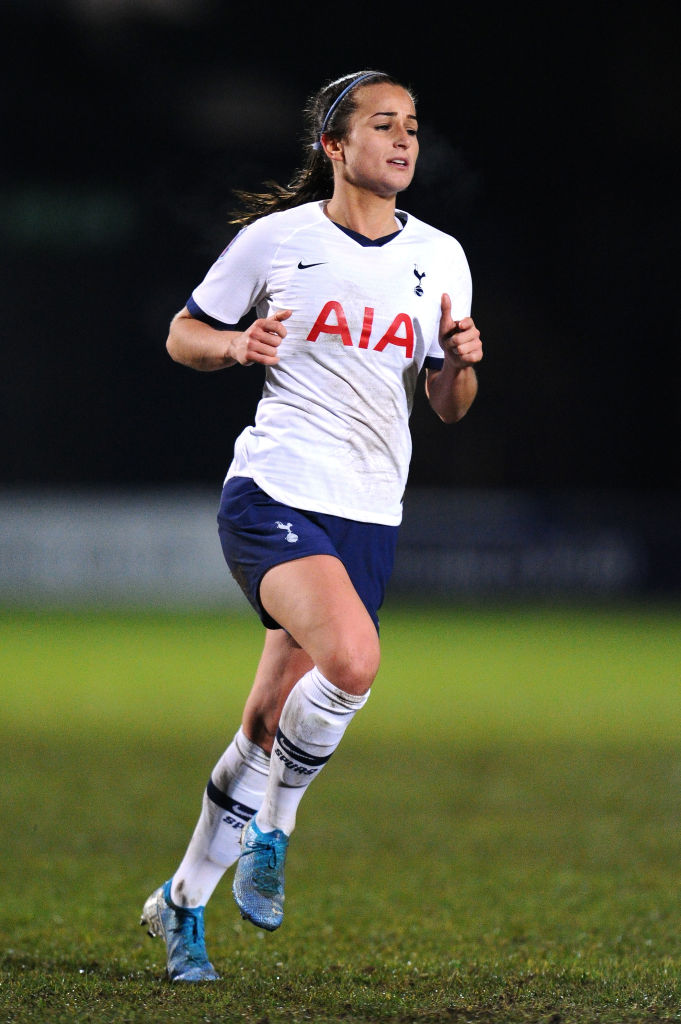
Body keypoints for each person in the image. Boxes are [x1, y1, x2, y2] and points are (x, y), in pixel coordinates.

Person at [141, 69, 483, 983]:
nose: (403, 140)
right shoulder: (277, 240)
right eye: (382, 124)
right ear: (334, 145)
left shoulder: (441, 257)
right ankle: (276, 828)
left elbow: (447, 405)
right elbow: (183, 333)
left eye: (412, 125)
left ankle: (179, 902)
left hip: (370, 508)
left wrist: (457, 365)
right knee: (354, 661)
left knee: (265, 723)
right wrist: (233, 344)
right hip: (276, 490)